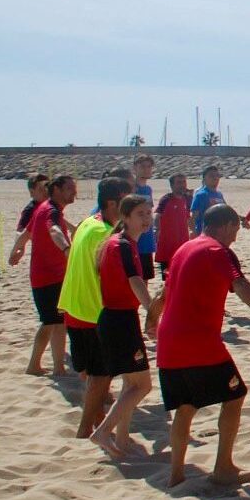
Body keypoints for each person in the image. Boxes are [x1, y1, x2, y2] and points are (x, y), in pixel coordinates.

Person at [157, 204, 250, 488]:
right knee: (236, 394)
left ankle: (176, 474)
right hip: (199, 342)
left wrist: (152, 319)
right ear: (225, 225)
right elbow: (240, 285)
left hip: (169, 340)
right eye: (235, 230)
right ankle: (223, 467)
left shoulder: (184, 249)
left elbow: (163, 293)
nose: (235, 237)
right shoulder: (218, 251)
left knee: (185, 405)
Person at [88, 194, 163, 459]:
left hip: (118, 319)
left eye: (149, 213)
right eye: (141, 214)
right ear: (125, 217)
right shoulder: (120, 244)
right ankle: (104, 432)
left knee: (130, 384)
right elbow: (135, 282)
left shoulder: (122, 242)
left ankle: (121, 437)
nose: (147, 219)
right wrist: (153, 313)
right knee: (141, 386)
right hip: (119, 321)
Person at [59, 177, 131, 439]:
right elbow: (109, 277)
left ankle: (97, 419)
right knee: (101, 376)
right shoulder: (106, 235)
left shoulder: (89, 223)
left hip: (74, 308)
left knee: (92, 374)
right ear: (113, 203)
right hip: (93, 312)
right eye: (126, 201)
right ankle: (85, 428)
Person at [25, 175, 77, 376]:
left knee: (55, 322)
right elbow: (54, 230)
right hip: (48, 277)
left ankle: (53, 367)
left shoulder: (46, 208)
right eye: (70, 188)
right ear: (56, 189)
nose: (75, 192)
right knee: (52, 322)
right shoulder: (50, 211)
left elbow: (27, 233)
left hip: (49, 275)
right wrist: (66, 249)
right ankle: (38, 366)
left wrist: (16, 249)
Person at [5, 173, 50, 267]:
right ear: (32, 192)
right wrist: (20, 249)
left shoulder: (51, 205)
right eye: (41, 189)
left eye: (47, 188)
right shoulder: (30, 210)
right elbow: (20, 231)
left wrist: (73, 228)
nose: (46, 192)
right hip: (42, 256)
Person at [153, 174, 192, 280]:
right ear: (172, 185)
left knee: (182, 277)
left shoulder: (187, 199)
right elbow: (157, 214)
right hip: (167, 247)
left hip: (182, 245)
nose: (182, 185)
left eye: (184, 182)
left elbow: (189, 217)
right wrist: (156, 229)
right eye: (179, 182)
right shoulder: (166, 199)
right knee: (168, 280)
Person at [131, 153, 159, 278]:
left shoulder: (148, 189)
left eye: (149, 167)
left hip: (147, 238)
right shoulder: (132, 188)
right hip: (135, 238)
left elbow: (150, 210)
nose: (146, 169)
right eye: (143, 166)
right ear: (135, 168)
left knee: (146, 276)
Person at [189, 165, 226, 236]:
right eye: (211, 176)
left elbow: (227, 211)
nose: (215, 178)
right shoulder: (201, 195)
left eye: (217, 175)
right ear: (204, 179)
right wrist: (193, 232)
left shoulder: (219, 194)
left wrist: (242, 219)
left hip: (219, 234)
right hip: (204, 234)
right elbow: (193, 218)